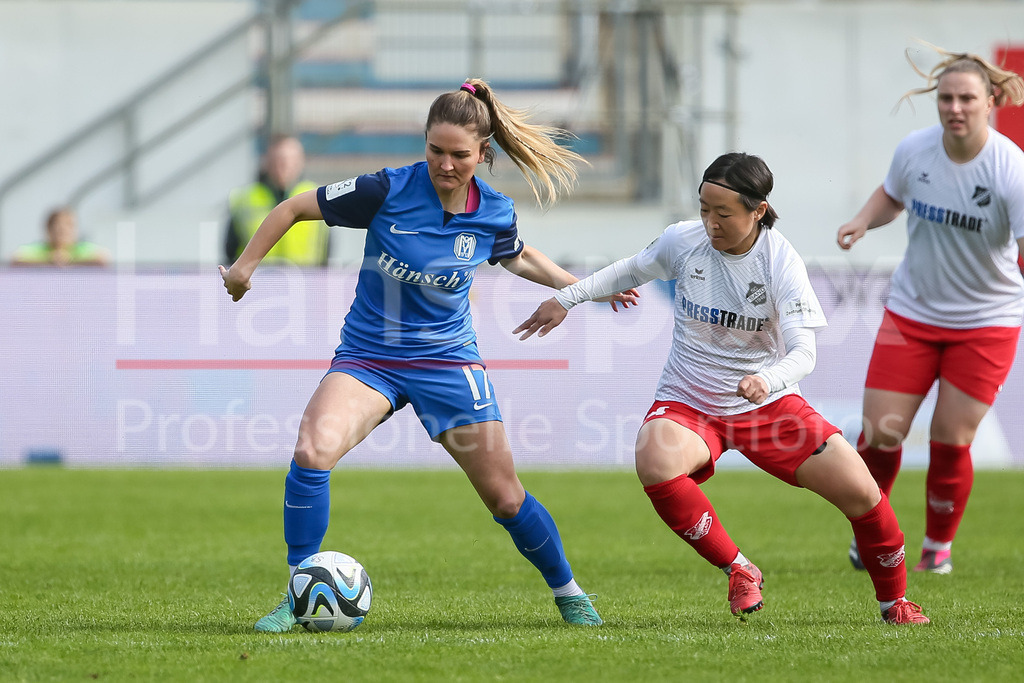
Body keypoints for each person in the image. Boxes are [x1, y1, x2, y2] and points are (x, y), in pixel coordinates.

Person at [220, 78, 636, 632]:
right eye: (435, 150)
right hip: (369, 357)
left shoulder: (492, 210)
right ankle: (299, 594)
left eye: (459, 155)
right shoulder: (385, 190)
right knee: (312, 451)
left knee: (506, 499)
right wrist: (245, 267)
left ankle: (569, 592)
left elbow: (516, 255)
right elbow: (294, 208)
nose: (445, 163)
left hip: (448, 363)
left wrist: (581, 287)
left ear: (482, 153)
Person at [515, 152, 930, 625]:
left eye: (723, 213)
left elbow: (804, 354)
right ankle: (738, 568)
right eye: (704, 209)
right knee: (654, 460)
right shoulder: (683, 241)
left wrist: (766, 379)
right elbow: (630, 269)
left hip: (767, 404)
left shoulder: (782, 264)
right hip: (689, 400)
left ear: (758, 210)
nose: (710, 223)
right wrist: (566, 298)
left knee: (865, 497)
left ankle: (894, 603)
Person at [836, 45, 1024, 576]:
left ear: (991, 101)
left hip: (986, 325)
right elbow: (892, 195)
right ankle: (873, 533)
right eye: (946, 98)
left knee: (949, 438)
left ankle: (936, 547)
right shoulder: (915, 150)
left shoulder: (1011, 168)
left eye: (967, 98)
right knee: (881, 432)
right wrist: (862, 220)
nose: (955, 107)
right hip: (911, 316)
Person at [224, 134, 331, 266]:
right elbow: (230, 251)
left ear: (301, 162)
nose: (285, 166)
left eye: (291, 160)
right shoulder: (244, 199)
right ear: (267, 162)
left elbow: (327, 250)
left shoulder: (316, 196)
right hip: (256, 283)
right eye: (279, 160)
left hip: (304, 283)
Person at [11, 207, 109, 267]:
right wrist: (49, 260)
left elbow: (103, 259)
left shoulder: (81, 249)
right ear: (49, 229)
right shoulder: (40, 249)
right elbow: (15, 259)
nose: (63, 231)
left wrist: (70, 261)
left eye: (68, 226)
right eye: (58, 227)